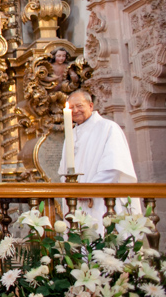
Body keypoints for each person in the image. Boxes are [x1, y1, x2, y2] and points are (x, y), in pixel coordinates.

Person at [58, 90, 141, 224]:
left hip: (101, 201)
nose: (75, 110)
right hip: (77, 201)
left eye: (79, 106)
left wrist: (89, 190)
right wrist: (72, 190)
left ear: (90, 106)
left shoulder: (108, 128)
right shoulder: (71, 135)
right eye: (71, 107)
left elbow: (113, 166)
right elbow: (63, 170)